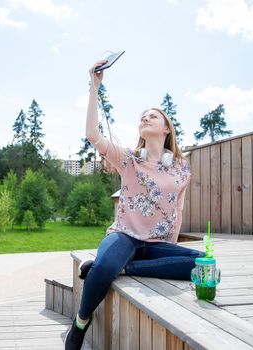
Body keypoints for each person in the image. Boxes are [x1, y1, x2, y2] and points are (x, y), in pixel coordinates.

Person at [64, 60, 205, 350]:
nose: (146, 118)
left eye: (153, 116)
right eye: (142, 116)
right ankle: (80, 323)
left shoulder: (181, 167)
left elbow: (178, 210)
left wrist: (171, 248)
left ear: (166, 128)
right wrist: (94, 87)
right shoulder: (128, 158)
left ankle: (126, 268)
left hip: (157, 242)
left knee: (201, 263)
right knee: (102, 267)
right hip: (124, 235)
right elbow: (93, 134)